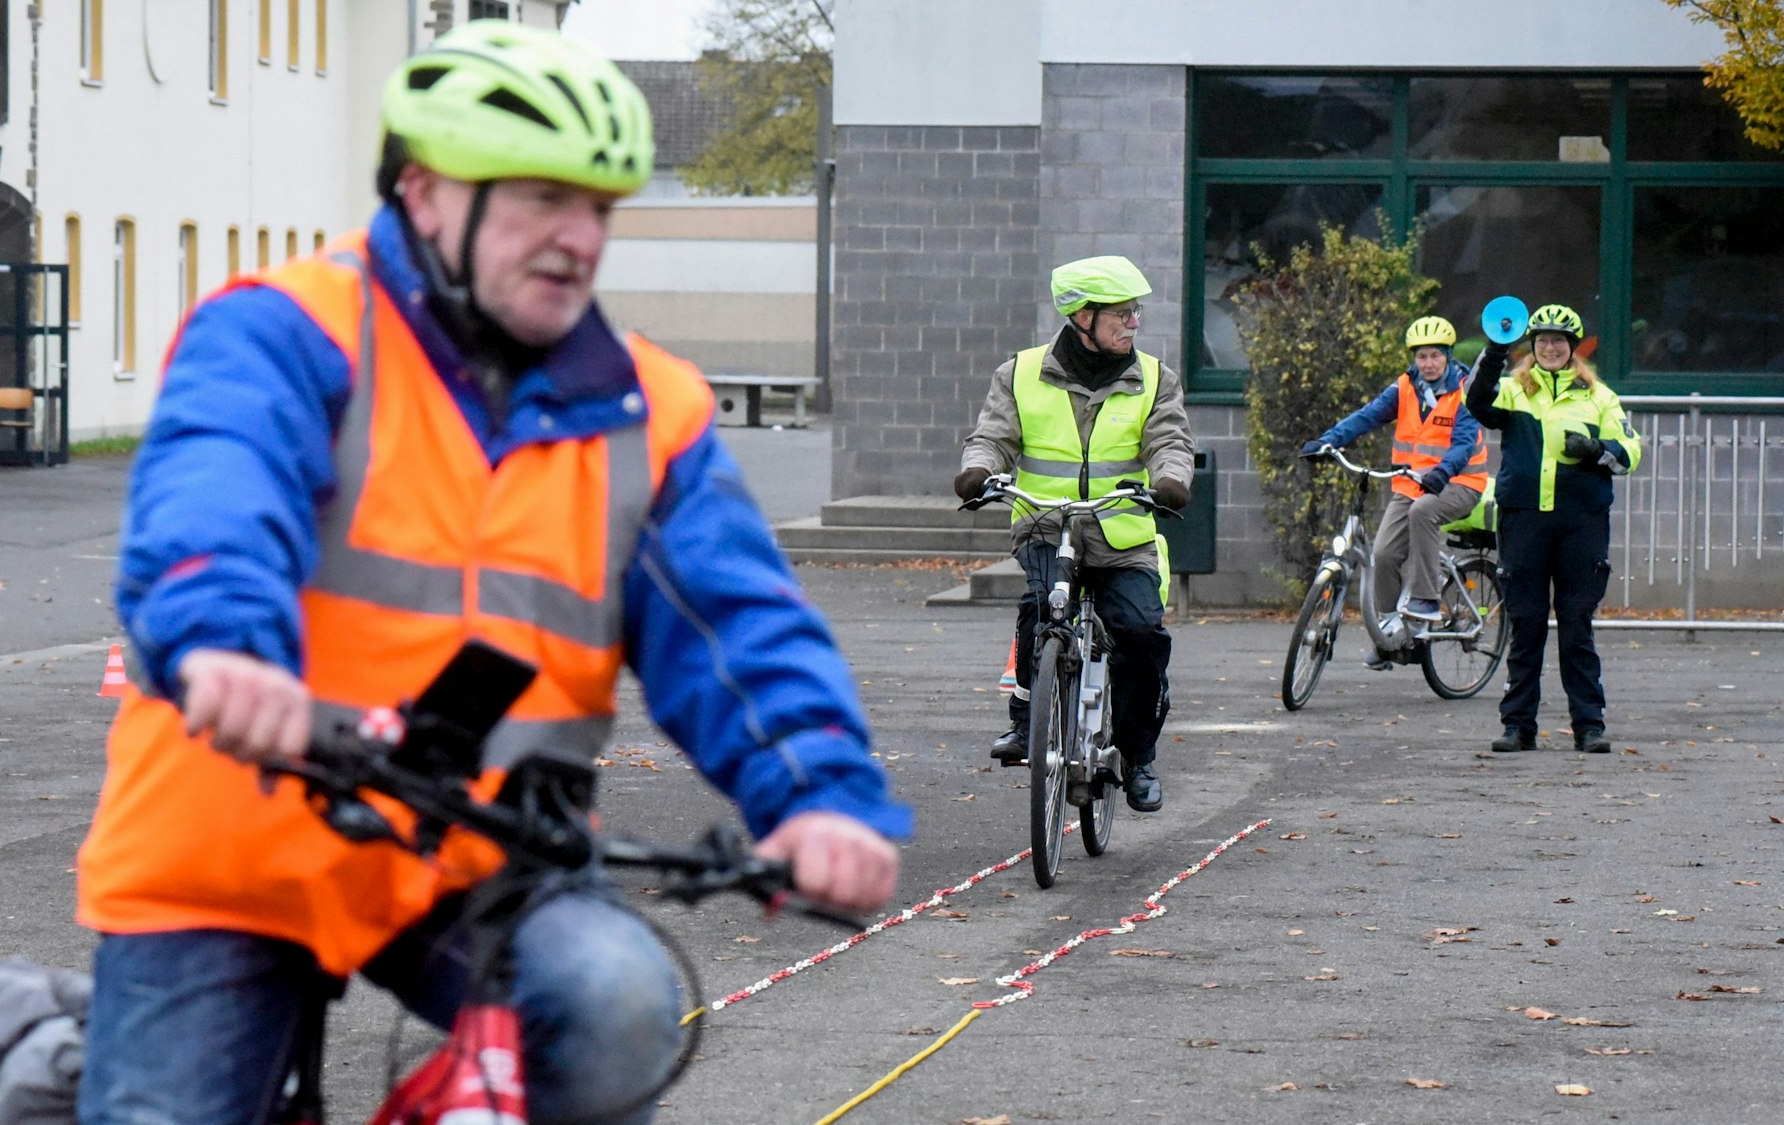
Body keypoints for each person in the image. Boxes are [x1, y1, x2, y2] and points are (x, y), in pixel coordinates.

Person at [71, 23, 908, 1125]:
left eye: (598, 208)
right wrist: (225, 641)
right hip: (237, 834)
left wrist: (818, 796)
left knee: (615, 1002)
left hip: (481, 856)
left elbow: (737, 626)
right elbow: (215, 493)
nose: (576, 239)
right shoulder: (285, 333)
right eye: (539, 199)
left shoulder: (647, 411)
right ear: (423, 194)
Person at [954, 256, 1196, 813]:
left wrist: (1171, 481)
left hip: (1122, 533)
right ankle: (1024, 721)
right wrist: (977, 471)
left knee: (1139, 636)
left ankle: (1138, 755)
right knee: (1039, 608)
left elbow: (1170, 442)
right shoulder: (1019, 373)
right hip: (1046, 524)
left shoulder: (1155, 378)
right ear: (1083, 317)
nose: (1134, 322)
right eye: (1123, 313)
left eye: (1136, 312)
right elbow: (992, 435)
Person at [1463, 303, 1641, 755]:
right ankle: (1518, 726)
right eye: (1542, 341)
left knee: (1577, 624)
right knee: (1526, 623)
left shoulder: (1598, 396)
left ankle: (1589, 726)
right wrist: (1494, 351)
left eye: (1558, 342)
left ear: (1571, 349)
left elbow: (1630, 452)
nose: (1550, 347)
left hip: (1580, 523)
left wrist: (1595, 448)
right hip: (1524, 520)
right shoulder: (1514, 390)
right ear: (1534, 347)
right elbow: (1476, 402)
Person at [1300, 315, 1490, 668]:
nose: (1428, 363)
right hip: (1411, 486)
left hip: (1460, 484)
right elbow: (1366, 416)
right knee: (1383, 554)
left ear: (1448, 356)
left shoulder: (1464, 391)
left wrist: (1443, 472)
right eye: (1422, 356)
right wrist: (1327, 441)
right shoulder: (1405, 387)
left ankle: (1425, 600)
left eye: (1435, 355)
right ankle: (1390, 633)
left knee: (1423, 513)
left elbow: (1464, 443)